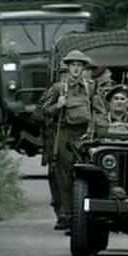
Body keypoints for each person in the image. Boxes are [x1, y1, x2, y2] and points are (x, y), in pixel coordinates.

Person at [41, 49, 96, 231]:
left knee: (82, 176)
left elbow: (99, 110)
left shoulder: (90, 87)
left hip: (83, 136)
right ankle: (67, 215)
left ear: (83, 68)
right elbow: (43, 111)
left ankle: (81, 215)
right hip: (64, 135)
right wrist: (58, 105)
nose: (76, 69)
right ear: (68, 67)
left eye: (79, 66)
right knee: (63, 178)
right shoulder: (58, 88)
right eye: (73, 65)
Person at [34, 62, 68, 227]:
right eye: (65, 73)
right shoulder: (55, 90)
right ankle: (61, 213)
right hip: (54, 138)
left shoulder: (85, 89)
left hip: (73, 139)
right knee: (56, 176)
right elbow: (39, 113)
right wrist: (57, 107)